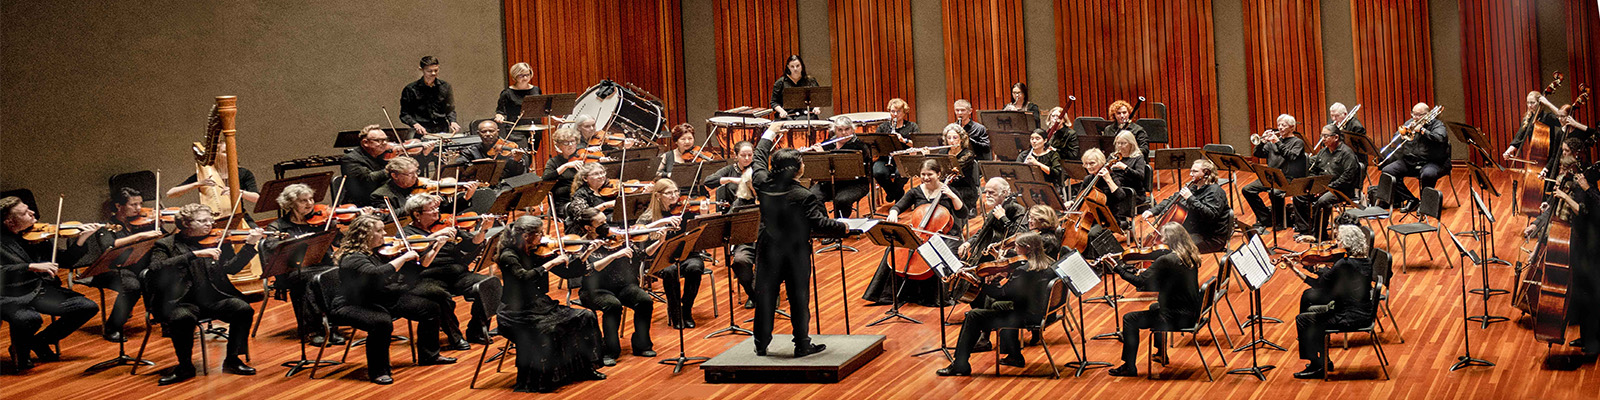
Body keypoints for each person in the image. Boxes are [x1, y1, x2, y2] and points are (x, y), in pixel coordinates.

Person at [750, 124, 850, 357]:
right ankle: (802, 344)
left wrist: (770, 133)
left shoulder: (762, 183)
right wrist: (843, 227)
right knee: (798, 298)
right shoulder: (804, 196)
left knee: (765, 296)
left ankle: (761, 343)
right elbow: (819, 224)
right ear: (797, 170)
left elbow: (758, 157)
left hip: (768, 248)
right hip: (795, 252)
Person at [330, 215, 456, 385]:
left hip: (382, 297)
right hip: (354, 303)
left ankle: (429, 356)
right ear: (365, 235)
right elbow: (376, 274)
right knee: (381, 322)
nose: (385, 234)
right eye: (379, 230)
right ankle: (379, 371)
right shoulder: (352, 258)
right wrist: (403, 258)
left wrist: (436, 247)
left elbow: (415, 269)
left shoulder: (379, 251)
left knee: (430, 308)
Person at [146, 204, 261, 384]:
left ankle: (232, 359)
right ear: (186, 224)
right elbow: (155, 268)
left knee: (243, 309)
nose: (209, 224)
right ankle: (185, 366)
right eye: (202, 221)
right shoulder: (166, 244)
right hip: (181, 301)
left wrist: (250, 245)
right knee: (182, 318)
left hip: (213, 297)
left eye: (210, 220)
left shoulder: (217, 239)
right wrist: (195, 254)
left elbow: (231, 268)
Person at [495, 216, 607, 392]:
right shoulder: (508, 256)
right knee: (550, 329)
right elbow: (523, 277)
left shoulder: (538, 251)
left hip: (540, 305)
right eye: (539, 233)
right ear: (526, 236)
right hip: (517, 312)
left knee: (585, 316)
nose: (544, 236)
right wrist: (551, 263)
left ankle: (584, 369)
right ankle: (545, 378)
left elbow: (567, 273)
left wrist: (586, 254)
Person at [935, 232, 1057, 376]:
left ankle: (960, 364)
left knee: (974, 316)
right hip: (1042, 310)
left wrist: (977, 283)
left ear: (1028, 248)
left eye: (1017, 247)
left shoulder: (1023, 271)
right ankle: (1014, 355)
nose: (1015, 251)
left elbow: (1000, 294)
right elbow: (1020, 290)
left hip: (1028, 316)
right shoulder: (1048, 263)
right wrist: (1007, 275)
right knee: (998, 306)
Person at [1, 196, 98, 371]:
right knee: (29, 319)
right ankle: (21, 351)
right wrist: (30, 266)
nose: (32, 213)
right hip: (11, 295)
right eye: (25, 213)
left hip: (40, 289)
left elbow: (65, 260)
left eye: (29, 209)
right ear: (10, 222)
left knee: (86, 307)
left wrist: (81, 240)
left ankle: (40, 342)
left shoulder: (39, 236)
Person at [1523, 138, 1598, 356]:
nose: (1561, 156)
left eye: (1565, 152)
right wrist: (1545, 211)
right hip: (1569, 236)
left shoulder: (1583, 180)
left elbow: (1584, 210)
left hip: (1583, 240)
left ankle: (1592, 342)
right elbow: (1556, 206)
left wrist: (1565, 195)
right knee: (1578, 293)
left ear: (1576, 156)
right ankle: (1585, 337)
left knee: (1587, 294)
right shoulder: (1567, 176)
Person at [400, 193, 501, 346]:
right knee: (441, 297)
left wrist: (482, 230)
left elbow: (470, 245)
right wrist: (436, 236)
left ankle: (476, 330)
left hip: (457, 275)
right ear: (417, 214)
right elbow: (415, 259)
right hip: (427, 278)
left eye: (436, 208)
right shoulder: (407, 234)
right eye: (431, 209)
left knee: (490, 284)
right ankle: (455, 336)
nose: (437, 211)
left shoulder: (446, 225)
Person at [863, 159, 965, 306]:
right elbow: (898, 206)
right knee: (893, 249)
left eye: (930, 174)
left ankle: (937, 297)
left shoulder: (948, 191)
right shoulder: (916, 191)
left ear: (939, 174)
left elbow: (962, 213)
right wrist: (893, 212)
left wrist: (952, 196)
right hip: (920, 232)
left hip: (944, 233)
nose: (926, 178)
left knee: (941, 252)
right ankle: (886, 295)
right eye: (923, 174)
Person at [69, 187, 164, 343]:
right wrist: (139, 236)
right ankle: (112, 327)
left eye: (140, 204)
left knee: (162, 273)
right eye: (133, 204)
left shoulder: (142, 223)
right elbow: (110, 245)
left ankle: (163, 318)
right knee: (132, 287)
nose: (139, 208)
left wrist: (158, 225)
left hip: (135, 267)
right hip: (109, 269)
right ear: (119, 206)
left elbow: (161, 239)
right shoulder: (107, 226)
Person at [1107, 222, 1202, 377]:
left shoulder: (1166, 260)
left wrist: (1117, 268)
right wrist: (1153, 273)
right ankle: (1160, 353)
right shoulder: (1189, 255)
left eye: (1163, 238)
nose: (1160, 241)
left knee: (1129, 319)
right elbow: (1170, 279)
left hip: (1176, 318)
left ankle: (1129, 366)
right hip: (1191, 313)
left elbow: (1139, 282)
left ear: (1169, 240)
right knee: (1154, 306)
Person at [262, 184, 346, 347]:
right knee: (310, 280)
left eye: (311, 199)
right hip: (293, 270)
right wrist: (295, 242)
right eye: (303, 201)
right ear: (291, 204)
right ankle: (312, 330)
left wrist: (337, 229)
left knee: (335, 273)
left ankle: (332, 326)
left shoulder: (322, 221)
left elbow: (340, 242)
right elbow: (271, 246)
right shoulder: (278, 226)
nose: (310, 204)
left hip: (322, 266)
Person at [569, 207, 655, 365]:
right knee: (612, 306)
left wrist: (659, 241)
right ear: (589, 228)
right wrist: (614, 256)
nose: (607, 226)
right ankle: (610, 350)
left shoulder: (616, 238)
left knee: (645, 301)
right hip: (595, 290)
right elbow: (590, 269)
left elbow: (641, 255)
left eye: (606, 221)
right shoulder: (583, 246)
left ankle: (642, 344)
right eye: (601, 223)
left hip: (622, 286)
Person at [1289, 225, 1375, 379]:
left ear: (1347, 243)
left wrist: (1295, 270)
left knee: (1303, 320)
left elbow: (1319, 284)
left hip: (1349, 316)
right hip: (1362, 311)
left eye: (1339, 240)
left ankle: (1318, 365)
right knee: (1310, 311)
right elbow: (1328, 275)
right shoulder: (1364, 260)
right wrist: (1306, 264)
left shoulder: (1345, 264)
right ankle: (1323, 361)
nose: (1336, 243)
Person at [634, 178, 709, 328]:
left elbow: (703, 235)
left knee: (695, 267)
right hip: (660, 258)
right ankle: (675, 313)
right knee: (670, 271)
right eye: (669, 193)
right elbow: (640, 240)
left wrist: (704, 214)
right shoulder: (648, 217)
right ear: (658, 196)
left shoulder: (686, 211)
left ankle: (686, 309)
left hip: (686, 254)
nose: (674, 196)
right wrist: (662, 227)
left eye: (676, 191)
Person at [1142, 159, 1233, 253]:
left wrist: (1190, 198)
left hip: (1210, 238)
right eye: (1191, 171)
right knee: (1165, 242)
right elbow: (1172, 199)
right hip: (1193, 231)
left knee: (1171, 248)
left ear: (1206, 173)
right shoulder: (1193, 187)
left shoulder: (1215, 192)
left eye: (1195, 171)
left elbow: (1210, 215)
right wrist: (1153, 211)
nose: (1190, 174)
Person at [1292, 125, 1364, 241]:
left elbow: (1347, 177)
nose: (1323, 139)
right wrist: (1313, 186)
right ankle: (1306, 230)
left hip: (1342, 189)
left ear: (1336, 137)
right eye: (1322, 136)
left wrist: (1327, 188)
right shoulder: (1323, 152)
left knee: (1323, 201)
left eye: (1326, 136)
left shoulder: (1347, 153)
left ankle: (1319, 235)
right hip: (1323, 186)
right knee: (1299, 195)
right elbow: (1314, 170)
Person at [1379, 102, 1450, 212]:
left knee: (1428, 174)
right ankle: (1411, 200)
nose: (1415, 117)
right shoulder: (1410, 123)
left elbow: (1440, 138)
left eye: (1419, 115)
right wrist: (1401, 136)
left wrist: (1423, 131)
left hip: (1432, 161)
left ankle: (1426, 203)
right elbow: (1395, 139)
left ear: (1427, 114)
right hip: (1411, 161)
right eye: (1413, 114)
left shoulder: (1437, 125)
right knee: (1388, 171)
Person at [908, 124, 980, 232]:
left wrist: (931, 158)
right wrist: (926, 157)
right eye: (949, 138)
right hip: (944, 186)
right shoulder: (943, 152)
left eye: (955, 138)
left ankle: (953, 229)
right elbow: (933, 169)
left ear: (961, 139)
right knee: (927, 197)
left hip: (963, 189)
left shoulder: (968, 154)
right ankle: (930, 227)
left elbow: (952, 168)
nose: (952, 141)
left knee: (946, 201)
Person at [1243, 114, 1307, 232]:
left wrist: (1277, 142)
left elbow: (1291, 157)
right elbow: (1258, 154)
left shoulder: (1297, 142)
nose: (1280, 128)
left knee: (1275, 193)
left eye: (1284, 125)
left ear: (1292, 128)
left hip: (1287, 179)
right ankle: (1266, 218)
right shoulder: (1272, 142)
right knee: (1247, 189)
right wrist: (1262, 142)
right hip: (1271, 176)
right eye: (1279, 125)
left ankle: (1279, 221)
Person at [342, 124, 431, 207]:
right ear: (365, 142)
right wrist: (392, 169)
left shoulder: (387, 154)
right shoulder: (351, 159)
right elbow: (368, 180)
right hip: (366, 202)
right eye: (379, 140)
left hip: (391, 196)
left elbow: (410, 172)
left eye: (385, 139)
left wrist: (424, 156)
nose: (385, 143)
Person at [804, 116, 871, 218]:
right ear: (835, 130)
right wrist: (808, 154)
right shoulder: (828, 143)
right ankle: (825, 222)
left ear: (852, 129)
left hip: (854, 184)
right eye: (840, 130)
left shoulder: (859, 147)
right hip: (828, 182)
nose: (844, 133)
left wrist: (823, 155)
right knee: (812, 196)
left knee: (841, 200)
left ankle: (840, 224)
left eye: (847, 129)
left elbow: (847, 168)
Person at [370, 155, 479, 212]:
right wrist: (419, 205)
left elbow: (447, 210)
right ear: (395, 175)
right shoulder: (381, 195)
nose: (416, 177)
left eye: (416, 172)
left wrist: (465, 198)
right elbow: (388, 217)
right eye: (410, 174)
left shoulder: (424, 185)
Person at [959, 177, 1027, 265]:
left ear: (1004, 193)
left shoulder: (1017, 209)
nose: (987, 195)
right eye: (986, 192)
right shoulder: (995, 209)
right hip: (985, 257)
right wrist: (968, 243)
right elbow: (983, 231)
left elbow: (1021, 234)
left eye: (991, 192)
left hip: (1002, 260)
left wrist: (1003, 218)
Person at [400, 55, 459, 137]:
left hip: (442, 128)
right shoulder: (410, 89)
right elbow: (404, 114)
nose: (433, 73)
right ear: (421, 69)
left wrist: (453, 121)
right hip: (422, 130)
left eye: (436, 70)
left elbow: (450, 109)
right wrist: (415, 124)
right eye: (429, 71)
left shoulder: (445, 86)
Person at [454, 119, 528, 182]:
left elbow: (518, 174)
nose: (488, 134)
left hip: (504, 183)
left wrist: (517, 160)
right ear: (478, 133)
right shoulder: (473, 150)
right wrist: (476, 165)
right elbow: (460, 163)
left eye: (491, 131)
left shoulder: (509, 147)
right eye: (484, 131)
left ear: (497, 132)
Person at [874, 98, 919, 201]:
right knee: (878, 172)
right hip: (885, 158)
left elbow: (917, 144)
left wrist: (903, 140)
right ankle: (895, 193)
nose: (895, 114)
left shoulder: (912, 126)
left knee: (901, 174)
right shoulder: (883, 127)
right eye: (892, 111)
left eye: (898, 111)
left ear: (904, 112)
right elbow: (876, 144)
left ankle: (894, 195)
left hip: (904, 159)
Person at [1503, 91, 1564, 164]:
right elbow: (1519, 137)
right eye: (1528, 102)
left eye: (1532, 103)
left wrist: (1548, 103)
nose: (1529, 105)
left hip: (1549, 157)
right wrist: (1509, 151)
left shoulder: (1548, 117)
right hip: (1534, 157)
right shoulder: (1527, 119)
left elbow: (1563, 118)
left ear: (1539, 103)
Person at [494, 62, 543, 145]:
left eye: (527, 74)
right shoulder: (507, 93)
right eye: (521, 75)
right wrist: (499, 117)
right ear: (515, 76)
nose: (525, 78)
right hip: (516, 130)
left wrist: (555, 118)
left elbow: (543, 107)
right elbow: (500, 111)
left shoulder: (536, 90)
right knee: (521, 152)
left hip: (534, 128)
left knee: (533, 152)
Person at [544, 127, 588, 217]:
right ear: (559, 145)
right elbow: (545, 178)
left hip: (585, 198)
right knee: (584, 214)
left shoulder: (583, 157)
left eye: (572, 141)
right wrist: (565, 166)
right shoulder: (554, 162)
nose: (570, 145)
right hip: (564, 202)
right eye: (566, 143)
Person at [702, 141, 756, 207]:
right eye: (743, 155)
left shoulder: (757, 169)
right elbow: (708, 181)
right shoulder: (730, 169)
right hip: (734, 208)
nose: (747, 158)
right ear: (736, 155)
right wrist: (730, 179)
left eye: (750, 155)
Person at [770, 55, 820, 120]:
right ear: (788, 67)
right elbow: (774, 102)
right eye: (792, 66)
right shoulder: (780, 83)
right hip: (787, 116)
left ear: (802, 66)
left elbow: (818, 98)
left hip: (807, 115)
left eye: (798, 66)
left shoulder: (810, 81)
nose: (795, 69)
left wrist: (816, 108)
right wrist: (781, 111)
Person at [1109, 130, 1151, 206]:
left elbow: (1140, 176)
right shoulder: (1113, 157)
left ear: (1131, 144)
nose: (1120, 146)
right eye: (1118, 143)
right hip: (1115, 190)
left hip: (1131, 193)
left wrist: (1125, 168)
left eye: (1123, 143)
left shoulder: (1138, 157)